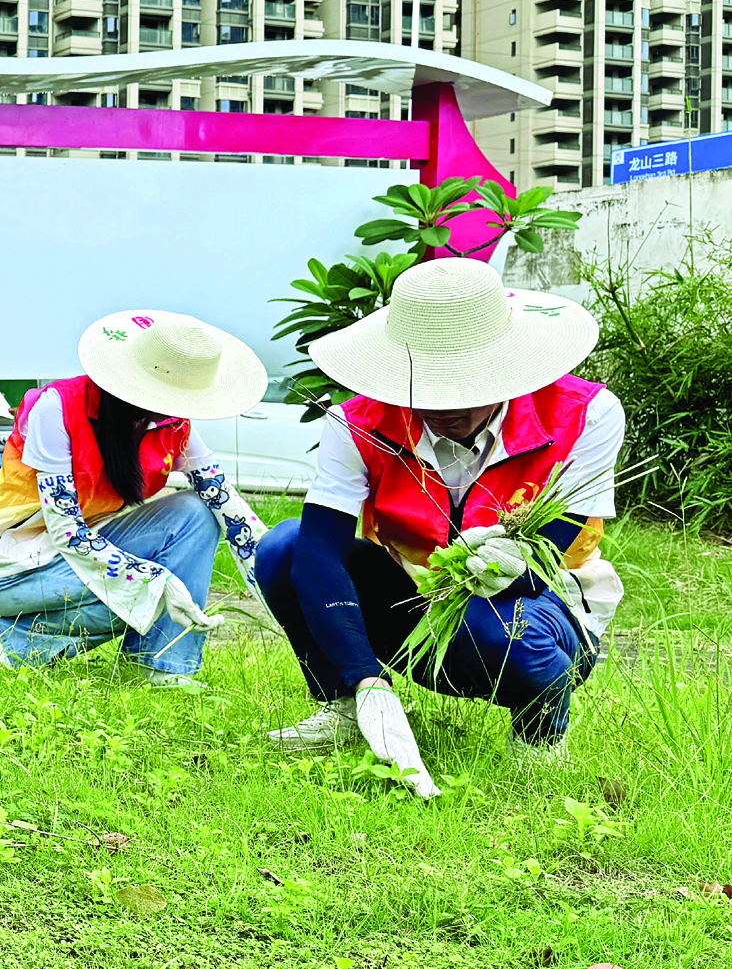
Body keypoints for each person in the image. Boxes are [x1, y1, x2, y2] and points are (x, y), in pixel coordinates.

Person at [255, 259, 624, 793]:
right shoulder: (357, 423)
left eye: (462, 385)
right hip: (414, 599)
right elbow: (317, 552)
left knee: (500, 633)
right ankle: (344, 708)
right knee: (283, 547)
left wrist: (511, 561)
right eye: (424, 385)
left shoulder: (584, 414)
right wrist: (366, 678)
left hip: (543, 606)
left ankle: (540, 735)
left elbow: (557, 543)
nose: (442, 405)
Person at [0, 311, 271, 690]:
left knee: (195, 513)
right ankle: (14, 642)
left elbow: (227, 505)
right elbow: (67, 532)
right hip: (10, 565)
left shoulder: (171, 424)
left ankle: (164, 665)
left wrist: (283, 577)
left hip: (81, 549)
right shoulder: (57, 409)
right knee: (143, 593)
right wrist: (155, 581)